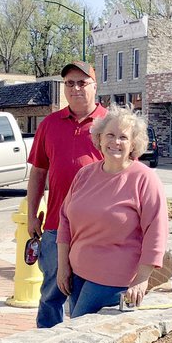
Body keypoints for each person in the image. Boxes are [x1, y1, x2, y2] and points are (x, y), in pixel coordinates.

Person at [56, 105, 168, 317]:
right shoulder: (85, 174)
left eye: (123, 137)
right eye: (110, 135)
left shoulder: (144, 179)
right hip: (77, 273)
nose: (115, 142)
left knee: (80, 333)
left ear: (133, 143)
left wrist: (142, 279)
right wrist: (63, 266)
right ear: (99, 138)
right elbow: (65, 220)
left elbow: (156, 231)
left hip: (112, 280)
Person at [27, 61, 107, 327]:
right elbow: (38, 173)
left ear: (95, 87)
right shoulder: (50, 124)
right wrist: (31, 216)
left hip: (96, 229)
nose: (75, 88)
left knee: (85, 294)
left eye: (82, 83)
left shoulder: (110, 125)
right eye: (70, 83)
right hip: (54, 226)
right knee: (52, 291)